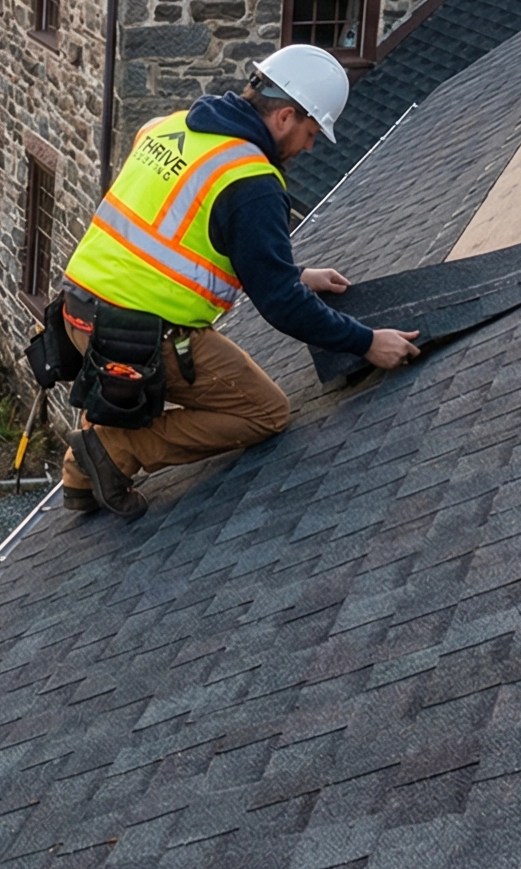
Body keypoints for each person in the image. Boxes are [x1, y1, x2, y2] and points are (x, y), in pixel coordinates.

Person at [54, 43, 421, 517]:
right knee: (265, 412)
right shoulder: (252, 180)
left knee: (206, 380)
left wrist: (293, 273)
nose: (310, 147)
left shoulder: (170, 126)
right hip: (144, 341)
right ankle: (116, 449)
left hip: (78, 316)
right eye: (311, 133)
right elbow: (280, 305)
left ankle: (79, 477)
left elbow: (181, 234)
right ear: (286, 116)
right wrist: (367, 342)